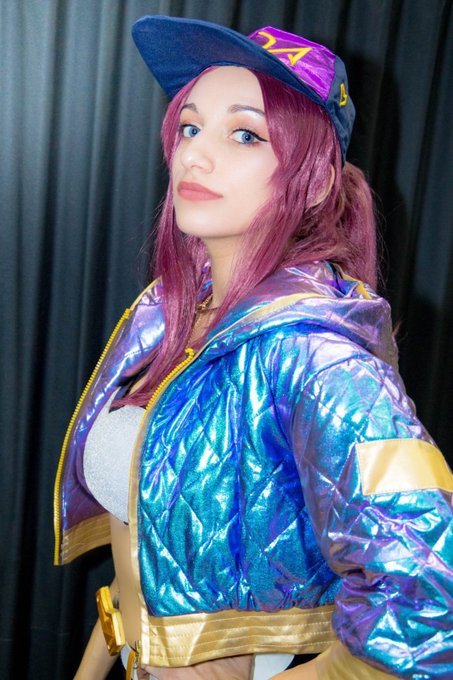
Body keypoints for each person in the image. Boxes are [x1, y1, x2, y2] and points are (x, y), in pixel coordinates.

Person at [53, 15, 453, 680]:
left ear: (315, 182)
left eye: (244, 134)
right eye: (190, 127)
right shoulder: (170, 312)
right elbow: (140, 559)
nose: (194, 156)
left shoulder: (317, 355)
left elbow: (428, 596)